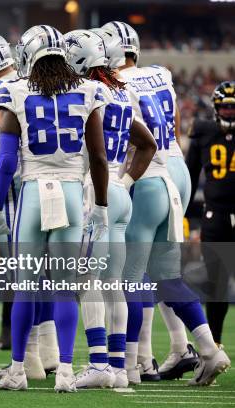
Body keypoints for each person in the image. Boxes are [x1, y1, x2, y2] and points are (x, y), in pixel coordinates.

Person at [105, 20, 230, 386]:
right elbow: (172, 124)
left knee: (132, 276)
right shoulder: (160, 74)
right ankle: (205, 348)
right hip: (178, 167)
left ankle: (132, 364)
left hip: (148, 173)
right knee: (164, 276)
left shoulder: (113, 85)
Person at [0, 24, 109, 392]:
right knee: (65, 287)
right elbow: (99, 157)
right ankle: (67, 372)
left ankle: (18, 370)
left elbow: (7, 161)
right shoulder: (87, 90)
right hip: (71, 192)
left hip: (34, 193)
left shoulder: (17, 91)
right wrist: (100, 205)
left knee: (26, 286)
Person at [64, 29, 157, 388]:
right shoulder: (119, 91)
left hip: (97, 191)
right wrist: (127, 182)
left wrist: (99, 198)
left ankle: (99, 363)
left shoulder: (89, 92)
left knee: (88, 282)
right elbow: (147, 144)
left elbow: (97, 155)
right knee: (113, 284)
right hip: (119, 192)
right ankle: (118, 369)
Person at [0, 29, 59, 381]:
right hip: (53, 182)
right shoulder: (31, 79)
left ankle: (30, 358)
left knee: (24, 274)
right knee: (48, 273)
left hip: (16, 189)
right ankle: (49, 353)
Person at [185, 80, 235, 354]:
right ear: (216, 107)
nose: (229, 112)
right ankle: (214, 343)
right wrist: (181, 209)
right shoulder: (204, 131)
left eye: (233, 107)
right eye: (225, 107)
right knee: (217, 281)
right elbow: (190, 177)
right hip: (216, 214)